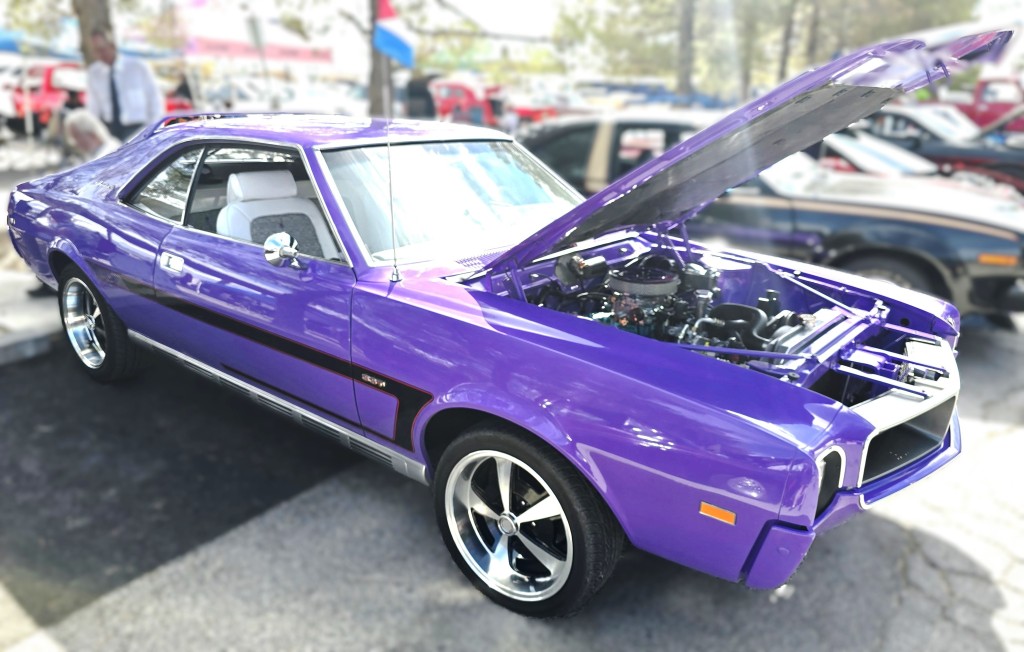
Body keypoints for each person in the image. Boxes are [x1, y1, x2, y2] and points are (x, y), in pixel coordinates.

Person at [85, 27, 164, 141]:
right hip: (110, 130)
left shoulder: (137, 67)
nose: (100, 55)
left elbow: (155, 100)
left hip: (137, 128)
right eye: (95, 51)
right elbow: (93, 107)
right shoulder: (94, 73)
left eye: (102, 49)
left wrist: (152, 131)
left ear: (112, 46)